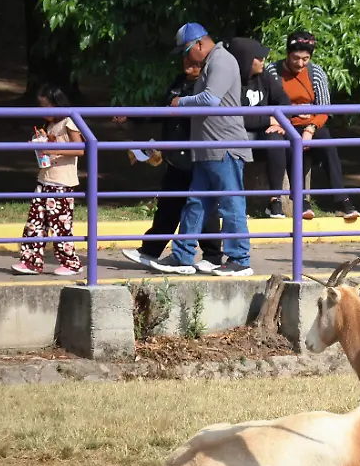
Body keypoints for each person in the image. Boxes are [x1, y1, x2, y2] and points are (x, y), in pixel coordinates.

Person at [161, 23, 256, 277]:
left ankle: (239, 258)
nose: (185, 57)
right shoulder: (212, 61)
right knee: (196, 203)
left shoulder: (222, 61)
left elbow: (210, 100)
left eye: (186, 51)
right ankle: (182, 256)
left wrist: (180, 102)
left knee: (230, 203)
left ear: (199, 44)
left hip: (224, 146)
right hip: (207, 147)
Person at [118, 57, 224, 274]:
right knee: (170, 203)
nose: (188, 65)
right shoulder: (179, 82)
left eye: (195, 63)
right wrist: (132, 116)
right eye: (186, 61)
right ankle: (151, 250)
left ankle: (212, 255)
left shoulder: (205, 88)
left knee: (201, 206)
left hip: (196, 154)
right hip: (176, 155)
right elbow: (162, 110)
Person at [265, 30, 359, 221]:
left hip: (312, 125)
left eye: (305, 59)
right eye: (296, 58)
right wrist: (287, 119)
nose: (300, 64)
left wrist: (310, 129)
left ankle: (342, 199)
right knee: (292, 148)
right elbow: (268, 103)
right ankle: (300, 200)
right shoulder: (272, 72)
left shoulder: (316, 73)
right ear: (287, 53)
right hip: (285, 125)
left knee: (328, 146)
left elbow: (324, 109)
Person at [12, 84, 84, 276]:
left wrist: (53, 150)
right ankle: (31, 262)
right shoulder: (50, 126)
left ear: (56, 105)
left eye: (45, 106)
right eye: (40, 106)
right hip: (45, 178)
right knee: (35, 224)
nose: (42, 111)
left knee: (60, 226)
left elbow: (80, 149)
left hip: (62, 182)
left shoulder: (69, 121)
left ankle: (71, 263)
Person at [227, 37, 293, 219]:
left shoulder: (264, 76)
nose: (263, 60)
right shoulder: (229, 82)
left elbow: (284, 100)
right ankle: (232, 202)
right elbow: (235, 118)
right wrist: (267, 120)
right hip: (238, 134)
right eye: (258, 57)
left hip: (263, 132)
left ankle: (275, 199)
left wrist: (279, 121)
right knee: (233, 143)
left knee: (277, 140)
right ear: (247, 60)